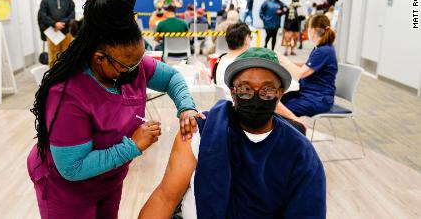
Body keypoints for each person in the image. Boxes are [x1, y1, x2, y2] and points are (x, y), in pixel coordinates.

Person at [27, 0, 204, 219]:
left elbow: (172, 77)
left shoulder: (129, 64)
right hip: (67, 189)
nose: (137, 70)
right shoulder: (68, 93)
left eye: (139, 59)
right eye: (128, 65)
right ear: (100, 58)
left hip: (108, 179)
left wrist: (186, 107)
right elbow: (73, 168)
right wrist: (132, 146)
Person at [139, 47, 326, 219]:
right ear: (232, 92)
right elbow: (165, 198)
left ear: (280, 93)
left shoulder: (300, 153)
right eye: (245, 89)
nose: (255, 97)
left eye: (267, 90)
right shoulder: (201, 132)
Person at [277, 14, 338, 117]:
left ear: (313, 30)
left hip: (317, 98)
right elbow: (307, 66)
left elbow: (301, 73)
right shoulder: (321, 48)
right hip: (310, 94)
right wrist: (284, 63)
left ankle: (294, 130)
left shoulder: (323, 51)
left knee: (279, 108)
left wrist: (283, 59)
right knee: (275, 100)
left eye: (308, 27)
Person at [38, 0, 75, 67]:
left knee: (67, 57)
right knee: (53, 58)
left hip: (66, 32)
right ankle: (53, 79)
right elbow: (42, 15)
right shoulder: (45, 0)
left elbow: (72, 14)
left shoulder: (68, 0)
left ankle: (67, 78)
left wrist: (62, 23)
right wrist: (54, 24)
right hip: (52, 33)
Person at [213, 22, 251, 87]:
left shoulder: (220, 59)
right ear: (246, 40)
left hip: (222, 96)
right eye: (250, 37)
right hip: (236, 96)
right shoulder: (243, 63)